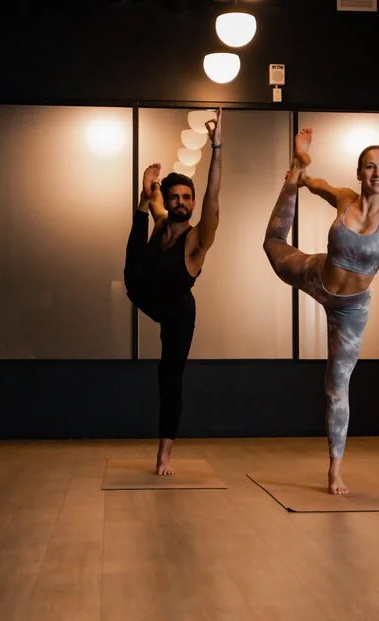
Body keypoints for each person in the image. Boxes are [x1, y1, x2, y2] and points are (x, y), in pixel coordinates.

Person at [263, 58, 379, 494]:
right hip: (316, 275)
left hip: (350, 310)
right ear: (360, 172)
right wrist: (301, 177)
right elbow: (322, 184)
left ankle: (334, 468)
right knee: (272, 245)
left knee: (336, 384)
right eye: (370, 166)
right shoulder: (346, 198)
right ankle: (288, 176)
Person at [123, 109, 222, 476]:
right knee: (133, 264)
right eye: (174, 196)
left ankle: (164, 452)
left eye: (187, 198)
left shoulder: (198, 239)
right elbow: (153, 203)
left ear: (193, 204)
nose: (181, 202)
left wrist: (217, 147)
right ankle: (139, 202)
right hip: (147, 296)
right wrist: (146, 191)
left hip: (179, 312)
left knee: (170, 378)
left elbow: (213, 194)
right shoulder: (162, 220)